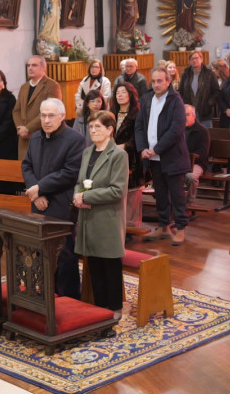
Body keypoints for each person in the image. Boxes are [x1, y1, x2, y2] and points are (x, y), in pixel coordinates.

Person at [21, 98, 84, 299]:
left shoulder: (75, 139)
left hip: (61, 204)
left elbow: (70, 172)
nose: (46, 120)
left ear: (62, 116)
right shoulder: (36, 137)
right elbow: (27, 166)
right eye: (43, 115)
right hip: (38, 203)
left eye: (51, 115)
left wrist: (40, 189)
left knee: (64, 254)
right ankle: (45, 295)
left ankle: (69, 298)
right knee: (40, 252)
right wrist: (35, 191)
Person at [73, 110, 128, 319]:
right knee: (94, 264)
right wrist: (77, 195)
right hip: (88, 217)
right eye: (91, 127)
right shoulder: (88, 152)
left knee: (110, 266)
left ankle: (114, 309)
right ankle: (99, 308)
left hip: (108, 218)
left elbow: (117, 190)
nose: (93, 131)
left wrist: (86, 198)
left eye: (98, 127)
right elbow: (79, 181)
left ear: (110, 130)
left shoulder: (118, 155)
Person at [135, 67, 192, 246]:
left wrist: (157, 148)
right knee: (160, 194)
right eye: (154, 81)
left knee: (177, 195)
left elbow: (176, 129)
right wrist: (142, 148)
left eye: (160, 81)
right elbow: (139, 126)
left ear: (168, 81)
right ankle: (164, 226)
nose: (156, 84)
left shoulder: (175, 101)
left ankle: (181, 229)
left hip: (172, 156)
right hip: (153, 157)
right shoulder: (147, 100)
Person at [110, 82, 145, 231]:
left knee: (131, 193)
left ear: (131, 94)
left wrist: (125, 146)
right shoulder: (112, 112)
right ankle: (117, 227)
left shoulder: (138, 113)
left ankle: (131, 228)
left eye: (123, 92)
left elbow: (141, 136)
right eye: (117, 92)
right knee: (116, 192)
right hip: (114, 158)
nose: (120, 95)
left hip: (133, 159)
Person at [12, 56, 62, 159]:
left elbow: (51, 111)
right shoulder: (24, 86)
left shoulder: (52, 85)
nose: (30, 68)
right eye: (28, 65)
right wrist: (21, 128)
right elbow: (16, 110)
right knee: (23, 170)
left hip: (41, 135)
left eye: (34, 65)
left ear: (43, 68)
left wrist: (28, 128)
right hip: (23, 137)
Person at [178, 51, 220, 127]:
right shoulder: (186, 74)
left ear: (201, 59)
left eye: (196, 58)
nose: (194, 60)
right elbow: (181, 91)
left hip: (205, 112)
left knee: (206, 135)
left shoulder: (209, 74)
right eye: (192, 59)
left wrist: (209, 103)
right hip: (189, 111)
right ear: (190, 61)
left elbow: (216, 92)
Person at [184, 104, 210, 204]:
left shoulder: (202, 131)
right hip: (181, 161)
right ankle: (170, 203)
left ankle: (190, 203)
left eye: (187, 115)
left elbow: (203, 152)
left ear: (194, 116)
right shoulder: (178, 130)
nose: (184, 118)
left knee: (191, 177)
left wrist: (189, 159)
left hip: (197, 163)